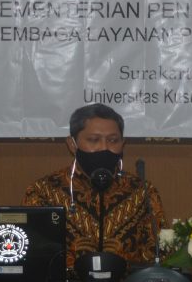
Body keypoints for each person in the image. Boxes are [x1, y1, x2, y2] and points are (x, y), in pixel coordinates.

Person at [22, 103, 164, 266]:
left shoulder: (142, 192)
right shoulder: (43, 191)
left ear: (123, 144)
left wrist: (124, 259)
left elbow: (160, 255)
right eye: (93, 140)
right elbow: (32, 252)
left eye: (113, 140)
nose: (104, 148)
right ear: (72, 144)